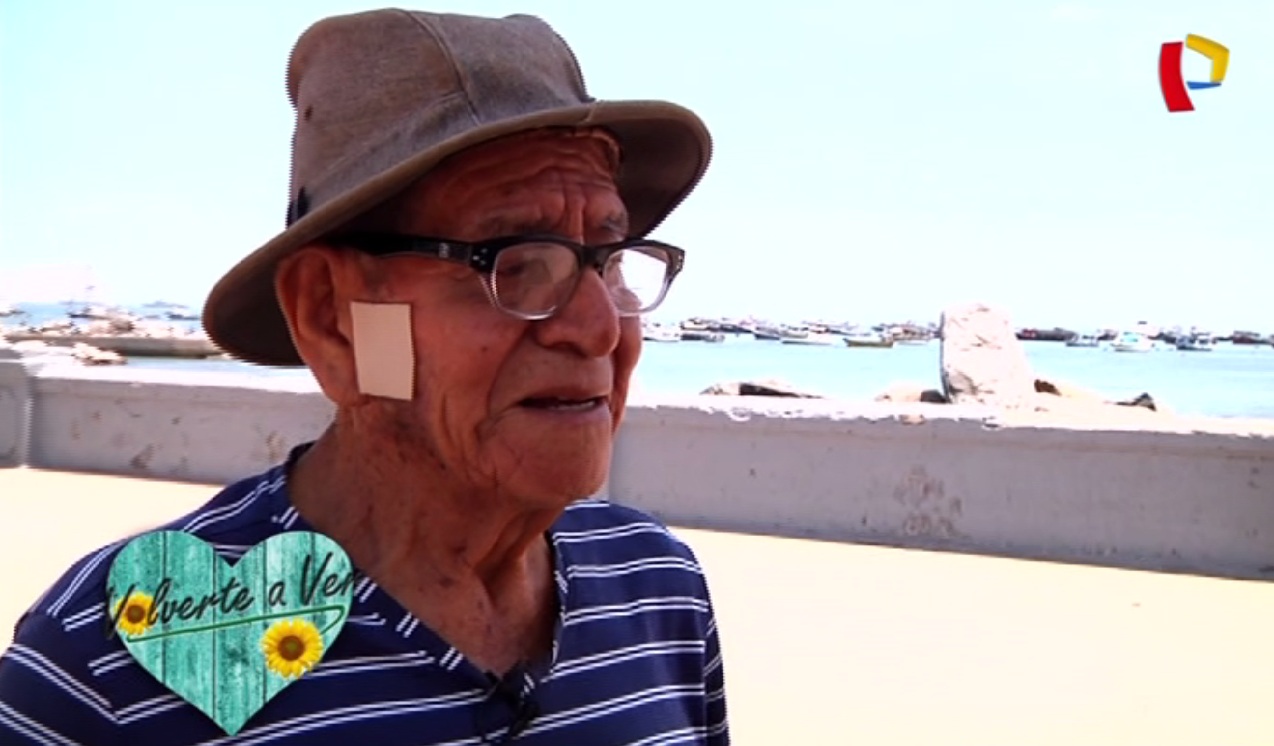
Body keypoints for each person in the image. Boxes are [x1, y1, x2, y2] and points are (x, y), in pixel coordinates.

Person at [0, 8, 727, 744]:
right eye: (515, 262)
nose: (600, 327)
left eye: (608, 260)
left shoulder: (656, 587)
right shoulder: (104, 666)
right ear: (331, 318)